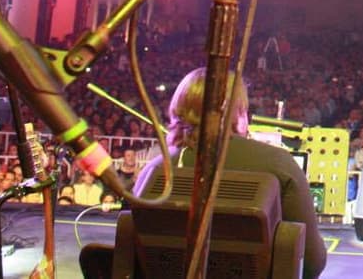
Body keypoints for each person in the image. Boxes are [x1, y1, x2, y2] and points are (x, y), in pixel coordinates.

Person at [133, 68, 327, 279]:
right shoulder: (280, 164)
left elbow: (136, 257)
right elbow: (311, 262)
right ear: (239, 113)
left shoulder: (154, 171)